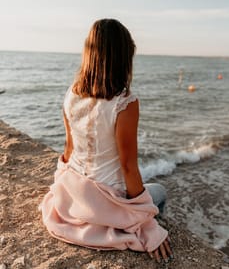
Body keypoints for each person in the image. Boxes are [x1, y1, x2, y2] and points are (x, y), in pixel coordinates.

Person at [39, 19, 173, 263]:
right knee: (160, 192)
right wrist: (147, 224)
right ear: (123, 58)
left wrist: (64, 191)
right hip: (107, 198)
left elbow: (68, 151)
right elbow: (128, 167)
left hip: (74, 192)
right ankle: (139, 231)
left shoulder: (72, 93)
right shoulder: (124, 103)